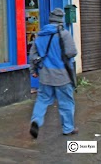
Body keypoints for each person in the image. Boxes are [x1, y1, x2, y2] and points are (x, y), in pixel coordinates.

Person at [28, 7, 78, 139]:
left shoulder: (40, 35)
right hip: (62, 75)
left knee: (42, 100)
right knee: (66, 102)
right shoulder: (64, 34)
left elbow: (32, 55)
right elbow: (72, 52)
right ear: (61, 20)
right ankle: (68, 128)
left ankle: (36, 121)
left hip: (45, 75)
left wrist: (33, 71)